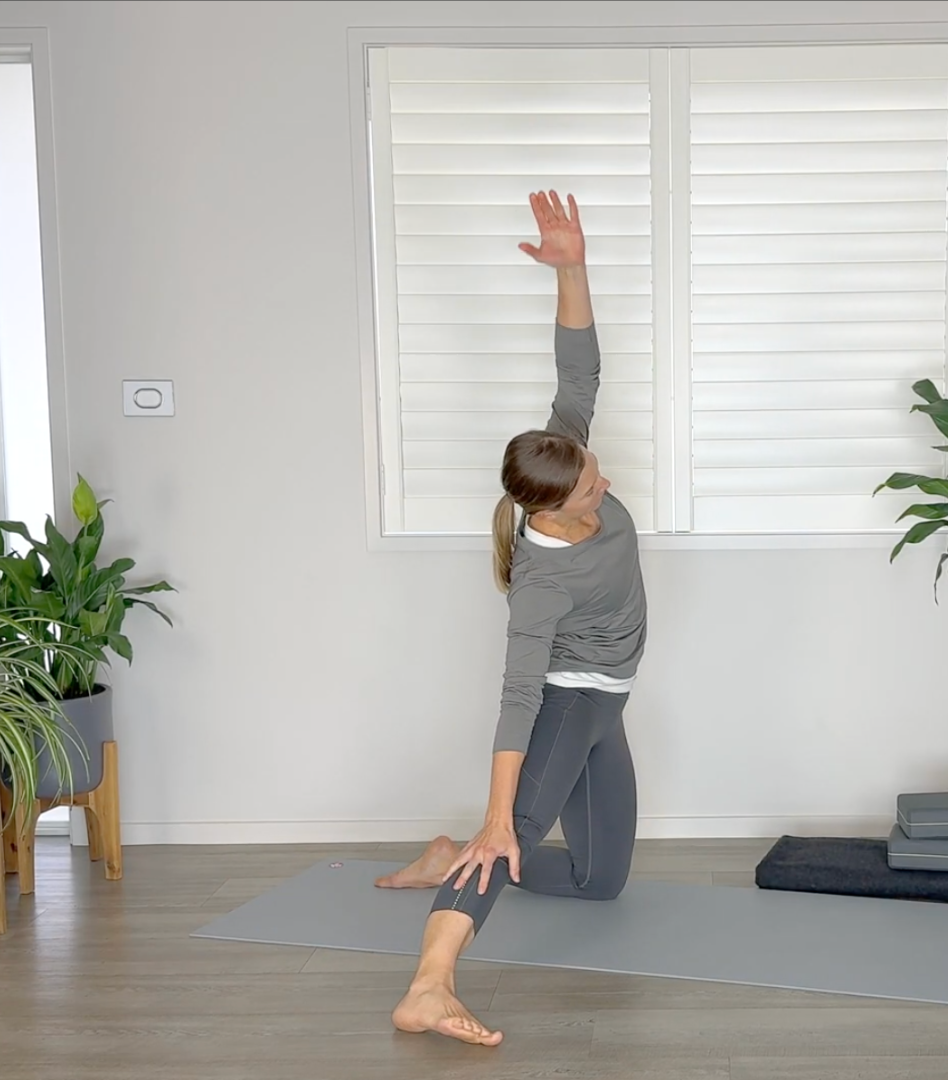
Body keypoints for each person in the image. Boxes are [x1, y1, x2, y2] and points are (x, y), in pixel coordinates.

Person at [374, 190, 647, 1047]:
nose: (606, 483)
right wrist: (497, 816)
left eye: (596, 470)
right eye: (594, 487)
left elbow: (579, 372)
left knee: (601, 882)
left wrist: (573, 269)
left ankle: (445, 853)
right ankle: (430, 984)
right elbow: (518, 700)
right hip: (571, 700)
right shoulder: (539, 587)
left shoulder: (560, 456)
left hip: (610, 702)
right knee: (513, 836)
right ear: (553, 508)